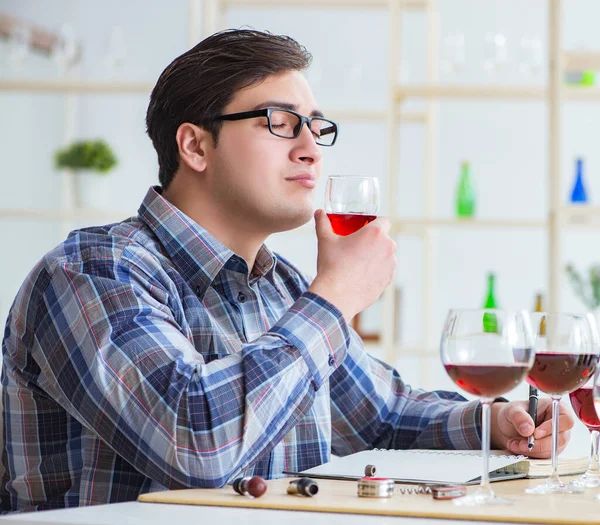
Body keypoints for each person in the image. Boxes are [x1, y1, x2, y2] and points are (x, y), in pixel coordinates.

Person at [1, 29, 573, 513]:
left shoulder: (282, 288)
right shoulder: (93, 272)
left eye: (316, 127)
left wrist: (495, 424)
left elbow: (379, 415)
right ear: (196, 147)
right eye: (280, 122)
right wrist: (333, 299)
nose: (311, 148)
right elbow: (195, 442)